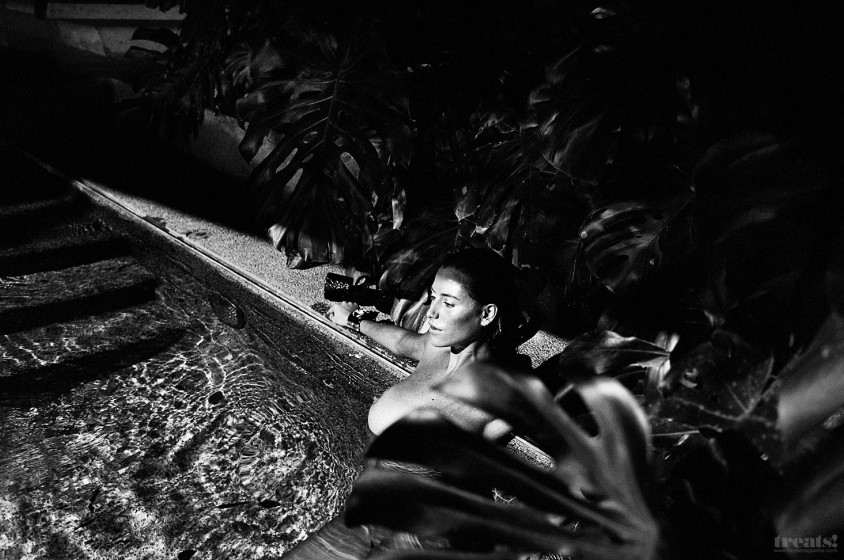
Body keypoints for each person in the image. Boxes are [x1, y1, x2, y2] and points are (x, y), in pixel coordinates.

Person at [282, 248, 531, 559]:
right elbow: (403, 342)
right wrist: (355, 321)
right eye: (433, 297)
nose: (431, 313)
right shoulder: (439, 348)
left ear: (487, 314)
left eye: (448, 303)